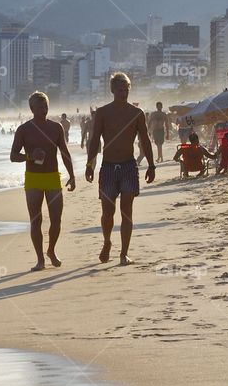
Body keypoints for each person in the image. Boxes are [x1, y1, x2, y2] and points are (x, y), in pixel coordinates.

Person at [86, 72, 154, 266]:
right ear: (112, 90)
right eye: (120, 90)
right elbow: (94, 140)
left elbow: (145, 140)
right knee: (108, 213)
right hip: (107, 167)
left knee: (127, 212)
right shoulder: (102, 112)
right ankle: (107, 241)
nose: (123, 93)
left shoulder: (136, 114)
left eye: (126, 89)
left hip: (128, 167)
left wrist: (151, 164)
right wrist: (90, 164)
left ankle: (124, 253)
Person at [11, 91, 76, 271]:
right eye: (39, 107)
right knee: (36, 220)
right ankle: (40, 259)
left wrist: (71, 175)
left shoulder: (56, 128)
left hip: (52, 177)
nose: (43, 110)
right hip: (33, 179)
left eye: (45, 106)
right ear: (32, 109)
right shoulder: (24, 129)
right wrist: (30, 156)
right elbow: (13, 156)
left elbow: (64, 152)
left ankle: (51, 250)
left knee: (56, 219)